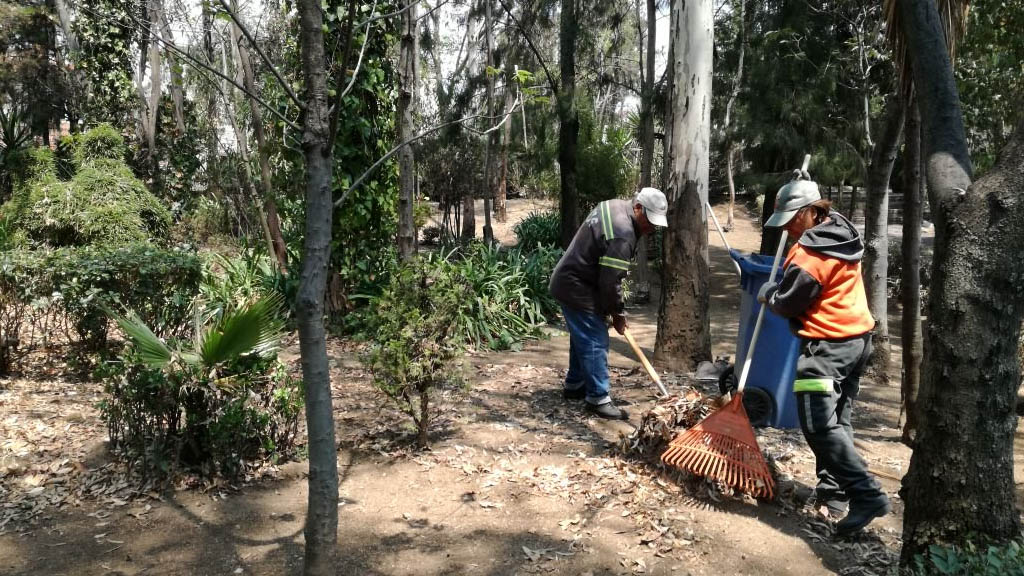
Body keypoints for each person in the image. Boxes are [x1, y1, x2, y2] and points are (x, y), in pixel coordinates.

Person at [757, 172, 890, 536]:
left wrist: (769, 293)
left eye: (790, 221)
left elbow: (788, 303)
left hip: (827, 348)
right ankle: (835, 495)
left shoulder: (810, 255)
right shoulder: (840, 233)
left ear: (806, 213)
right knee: (838, 421)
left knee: (817, 425)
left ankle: (866, 495)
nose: (789, 229)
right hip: (858, 341)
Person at [548, 188, 668, 420]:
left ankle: (575, 385)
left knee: (582, 335)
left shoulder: (613, 205)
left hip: (570, 280)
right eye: (649, 221)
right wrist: (618, 314)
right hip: (576, 285)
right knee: (595, 338)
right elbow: (611, 280)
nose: (651, 229)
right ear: (638, 208)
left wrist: (612, 310)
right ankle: (598, 398)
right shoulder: (623, 234)